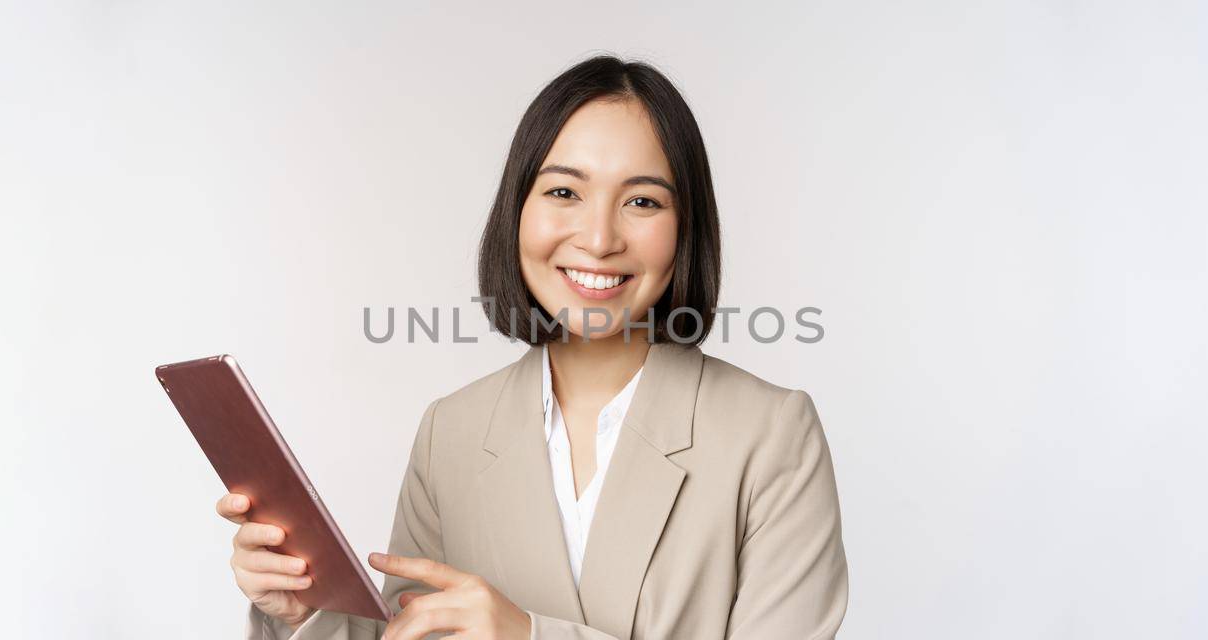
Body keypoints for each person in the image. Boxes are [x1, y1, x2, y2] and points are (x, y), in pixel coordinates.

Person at [217, 55, 848, 640]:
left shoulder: (771, 434)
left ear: (686, 230)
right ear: (517, 209)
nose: (599, 239)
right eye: (564, 192)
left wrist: (527, 634)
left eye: (642, 201)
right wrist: (303, 613)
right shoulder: (451, 432)